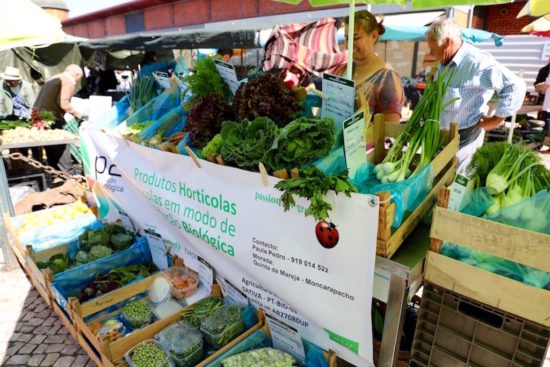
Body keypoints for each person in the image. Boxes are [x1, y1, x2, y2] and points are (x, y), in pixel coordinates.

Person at [426, 18, 526, 174]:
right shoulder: (445, 60)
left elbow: (515, 85)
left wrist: (495, 120)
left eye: (433, 48)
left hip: (465, 141)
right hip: (440, 137)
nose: (430, 53)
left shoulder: (476, 62)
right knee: (437, 185)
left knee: (456, 189)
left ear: (447, 42)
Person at [336, 10, 405, 123]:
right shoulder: (341, 70)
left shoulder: (387, 79)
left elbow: (389, 133)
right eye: (347, 38)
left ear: (373, 36)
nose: (349, 44)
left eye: (356, 38)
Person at [33, 64, 83, 172]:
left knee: (50, 145)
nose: (79, 81)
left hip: (37, 115)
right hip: (50, 116)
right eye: (80, 78)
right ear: (77, 74)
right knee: (63, 144)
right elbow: (63, 103)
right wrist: (77, 114)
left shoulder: (54, 77)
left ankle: (54, 171)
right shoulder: (68, 80)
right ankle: (67, 172)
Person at [534, 57, 550, 131]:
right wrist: (541, 86)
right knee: (546, 126)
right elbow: (536, 86)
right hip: (545, 103)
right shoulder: (544, 70)